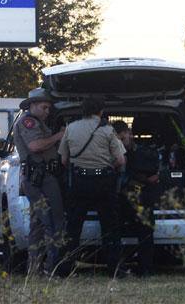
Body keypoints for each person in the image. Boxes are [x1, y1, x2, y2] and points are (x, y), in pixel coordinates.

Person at [58, 98, 127, 278]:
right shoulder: (107, 130)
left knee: (73, 227)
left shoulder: (71, 129)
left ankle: (65, 268)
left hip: (80, 182)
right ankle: (114, 269)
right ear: (101, 111)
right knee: (110, 227)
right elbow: (121, 160)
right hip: (104, 182)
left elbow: (64, 160)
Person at [13, 88, 65, 275]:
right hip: (40, 179)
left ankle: (34, 269)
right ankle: (53, 268)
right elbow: (35, 146)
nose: (47, 112)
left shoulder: (37, 122)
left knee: (38, 224)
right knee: (53, 220)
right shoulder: (28, 122)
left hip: (40, 178)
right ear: (32, 105)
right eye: (44, 107)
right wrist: (58, 136)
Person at [112, 120, 158, 276]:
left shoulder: (145, 153)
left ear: (130, 134)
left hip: (140, 197)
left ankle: (146, 267)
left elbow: (156, 173)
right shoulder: (108, 154)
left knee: (146, 229)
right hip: (118, 199)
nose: (121, 144)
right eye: (117, 141)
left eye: (123, 140)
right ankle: (117, 267)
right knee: (112, 228)